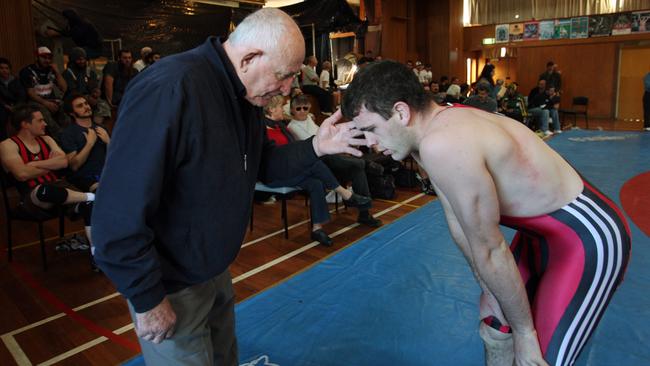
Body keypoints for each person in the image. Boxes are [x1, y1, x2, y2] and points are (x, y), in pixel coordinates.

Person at [92, 8, 366, 365]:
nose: (287, 89)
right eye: (283, 76)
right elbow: (117, 210)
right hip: (171, 284)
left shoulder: (244, 91)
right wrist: (146, 297)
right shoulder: (171, 89)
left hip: (213, 268)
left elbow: (263, 164)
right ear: (250, 57)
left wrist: (316, 147)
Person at [341, 60, 631, 366]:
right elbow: (460, 228)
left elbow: (491, 249)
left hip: (590, 238)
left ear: (401, 112)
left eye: (371, 129)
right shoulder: (437, 124)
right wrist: (489, 291)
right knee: (496, 325)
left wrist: (525, 333)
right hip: (543, 236)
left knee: (537, 358)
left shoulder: (444, 144)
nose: (370, 144)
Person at [263, 95, 372, 246]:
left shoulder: (280, 127)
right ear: (271, 109)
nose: (283, 109)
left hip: (292, 169)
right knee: (314, 162)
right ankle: (345, 193)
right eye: (281, 106)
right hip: (274, 174)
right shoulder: (262, 130)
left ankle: (317, 229)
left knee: (315, 183)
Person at [0, 105, 95, 222]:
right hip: (33, 197)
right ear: (25, 124)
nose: (45, 124)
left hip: (60, 188)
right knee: (44, 191)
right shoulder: (8, 145)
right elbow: (22, 174)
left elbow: (64, 162)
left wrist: (32, 164)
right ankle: (91, 197)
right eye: (40, 120)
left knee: (89, 208)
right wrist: (51, 165)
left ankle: (89, 203)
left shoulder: (47, 139)